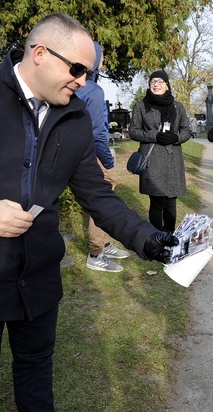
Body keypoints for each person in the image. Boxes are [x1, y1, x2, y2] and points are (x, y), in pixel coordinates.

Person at [0, 13, 178, 412]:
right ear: (39, 53)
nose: (84, 82)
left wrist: (153, 241)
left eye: (89, 73)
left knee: (36, 369)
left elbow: (99, 199)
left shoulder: (77, 117)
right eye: (79, 69)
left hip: (36, 277)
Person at [77, 41, 130, 272]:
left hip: (76, 149)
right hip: (90, 151)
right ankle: (96, 252)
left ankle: (104, 243)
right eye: (102, 55)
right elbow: (98, 131)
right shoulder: (92, 90)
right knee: (104, 191)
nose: (104, 60)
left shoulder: (78, 84)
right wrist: (108, 160)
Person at [128, 70, 191, 233]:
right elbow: (134, 131)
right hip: (152, 159)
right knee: (156, 202)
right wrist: (154, 136)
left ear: (167, 86)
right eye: (153, 82)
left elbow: (187, 130)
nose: (156, 84)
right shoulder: (141, 106)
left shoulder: (177, 106)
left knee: (171, 202)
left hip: (172, 159)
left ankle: (169, 234)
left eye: (160, 81)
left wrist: (175, 138)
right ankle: (156, 237)